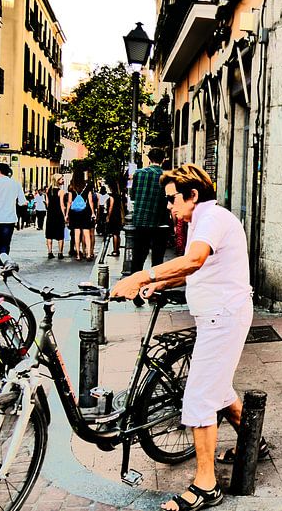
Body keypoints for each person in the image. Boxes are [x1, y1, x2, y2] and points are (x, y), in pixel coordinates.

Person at [111, 164, 259, 511]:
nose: (168, 207)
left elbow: (193, 261)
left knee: (198, 398)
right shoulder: (201, 221)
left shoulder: (212, 219)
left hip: (223, 317)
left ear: (193, 195)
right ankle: (254, 442)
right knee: (218, 391)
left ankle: (206, 485)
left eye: (172, 199)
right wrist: (157, 283)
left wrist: (141, 274)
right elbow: (195, 270)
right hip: (218, 317)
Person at [131, 148, 170, 272]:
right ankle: (154, 284)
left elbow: (133, 195)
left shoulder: (138, 173)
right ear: (163, 160)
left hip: (140, 220)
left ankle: (134, 282)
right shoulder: (166, 176)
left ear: (149, 158)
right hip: (159, 221)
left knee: (138, 255)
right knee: (158, 257)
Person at [0, 163, 26, 264]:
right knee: (6, 244)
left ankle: (1, 264)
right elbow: (22, 202)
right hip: (9, 219)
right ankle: (5, 263)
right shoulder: (16, 184)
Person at [66, 169, 96, 261]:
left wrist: (67, 214)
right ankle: (88, 254)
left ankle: (78, 254)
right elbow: (90, 201)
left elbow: (69, 202)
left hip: (75, 212)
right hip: (85, 211)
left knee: (77, 233)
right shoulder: (87, 186)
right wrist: (93, 213)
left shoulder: (71, 187)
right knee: (86, 233)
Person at [45, 174, 67, 259]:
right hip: (58, 214)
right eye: (61, 179)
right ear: (57, 181)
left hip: (50, 214)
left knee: (49, 234)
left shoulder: (48, 191)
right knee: (60, 234)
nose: (63, 181)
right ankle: (60, 253)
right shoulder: (60, 192)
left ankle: (50, 252)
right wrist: (64, 215)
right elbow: (61, 204)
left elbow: (47, 203)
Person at [105, 181, 125, 257]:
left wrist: (108, 217)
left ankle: (115, 250)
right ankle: (117, 249)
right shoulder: (119, 196)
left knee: (114, 234)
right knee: (117, 234)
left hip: (113, 217)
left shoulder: (111, 197)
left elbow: (110, 208)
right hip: (118, 217)